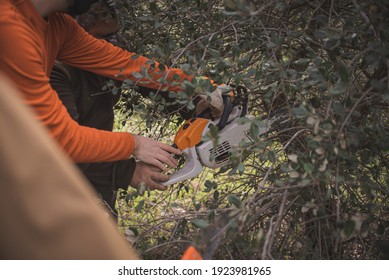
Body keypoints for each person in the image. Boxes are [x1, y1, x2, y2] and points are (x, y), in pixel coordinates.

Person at [0, 0, 224, 195]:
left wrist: (197, 85)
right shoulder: (9, 28)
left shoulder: (58, 26)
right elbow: (60, 140)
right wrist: (133, 145)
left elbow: (124, 64)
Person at [0, 72, 139, 259]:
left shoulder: (97, 56)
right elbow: (63, 149)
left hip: (89, 187)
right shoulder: (51, 71)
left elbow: (136, 68)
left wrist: (187, 95)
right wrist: (133, 149)